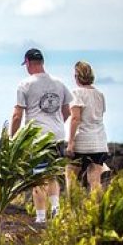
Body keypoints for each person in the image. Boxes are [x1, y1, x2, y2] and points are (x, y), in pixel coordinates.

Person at [10, 48, 72, 224]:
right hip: (58, 136)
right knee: (52, 175)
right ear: (42, 62)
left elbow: (17, 115)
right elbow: (67, 111)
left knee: (38, 177)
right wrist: (58, 123)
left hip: (38, 138)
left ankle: (41, 218)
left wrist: (12, 137)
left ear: (28, 63)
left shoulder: (25, 84)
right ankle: (56, 211)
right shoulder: (60, 83)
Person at [65, 61, 109, 193]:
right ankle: (98, 210)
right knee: (95, 180)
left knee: (70, 175)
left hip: (82, 141)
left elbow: (75, 118)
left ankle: (73, 208)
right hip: (99, 141)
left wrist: (71, 142)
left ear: (77, 76)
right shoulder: (100, 94)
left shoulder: (76, 93)